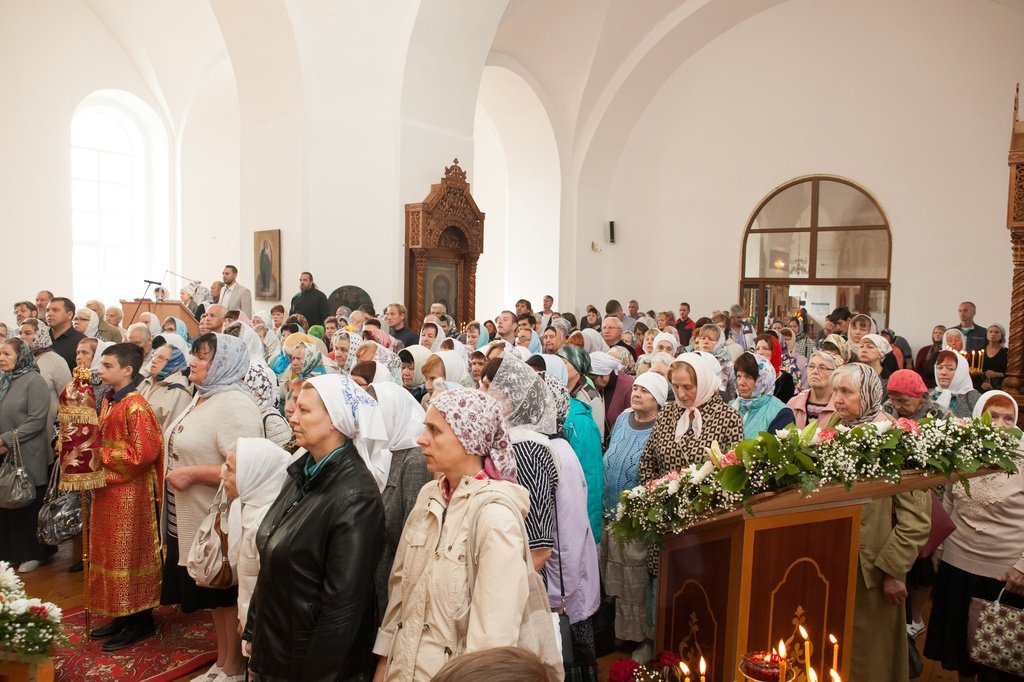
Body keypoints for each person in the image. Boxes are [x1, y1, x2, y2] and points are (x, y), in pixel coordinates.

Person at [372, 388, 560, 682]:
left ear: (470, 439)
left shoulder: (494, 517)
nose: (422, 439)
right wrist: (385, 664)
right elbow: (401, 596)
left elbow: (492, 640)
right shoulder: (429, 496)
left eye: (435, 430)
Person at [246, 374, 385, 681]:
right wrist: (254, 628)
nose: (292, 416)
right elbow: (272, 554)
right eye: (294, 407)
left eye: (305, 411)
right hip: (278, 644)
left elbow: (342, 611)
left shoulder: (355, 498)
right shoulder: (303, 470)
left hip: (307, 662)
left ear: (335, 421)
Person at [162, 333, 263, 681]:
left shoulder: (235, 404)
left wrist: (191, 473)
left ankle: (235, 669)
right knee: (212, 594)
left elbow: (246, 465)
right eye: (194, 354)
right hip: (195, 513)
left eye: (202, 357)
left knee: (225, 594)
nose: (193, 362)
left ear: (223, 364)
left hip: (219, 518)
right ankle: (223, 663)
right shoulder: (205, 396)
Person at [832, 363, 930, 682]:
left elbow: (916, 518)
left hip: (873, 569)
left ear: (870, 394)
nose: (836, 399)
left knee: (869, 658)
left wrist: (894, 571)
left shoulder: (896, 436)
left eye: (846, 391)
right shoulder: (834, 425)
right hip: (831, 559)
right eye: (835, 391)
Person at [924, 390, 1024, 679]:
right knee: (959, 652)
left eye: (1009, 418)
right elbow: (950, 502)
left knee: (996, 657)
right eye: (993, 417)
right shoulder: (964, 449)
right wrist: (940, 550)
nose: (1001, 425)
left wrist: (1021, 566)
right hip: (959, 564)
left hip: (1004, 573)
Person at [88, 343, 165, 650]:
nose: (100, 370)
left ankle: (140, 621)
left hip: (131, 496)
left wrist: (98, 453)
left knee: (130, 555)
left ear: (127, 370)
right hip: (110, 491)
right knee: (111, 553)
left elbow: (143, 454)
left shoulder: (135, 406)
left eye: (106, 366)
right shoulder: (110, 401)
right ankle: (121, 614)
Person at [603, 372, 669, 657]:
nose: (637, 393)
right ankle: (619, 632)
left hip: (636, 518)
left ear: (659, 400)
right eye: (637, 388)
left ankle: (642, 639)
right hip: (609, 510)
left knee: (635, 581)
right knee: (613, 573)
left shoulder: (662, 426)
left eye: (646, 391)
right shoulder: (622, 419)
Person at [484, 353, 560, 570]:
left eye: (489, 387)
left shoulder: (527, 449)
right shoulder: (503, 441)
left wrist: (507, 592)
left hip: (516, 582)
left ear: (510, 401)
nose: (481, 393)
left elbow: (539, 547)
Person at [365, 381, 432, 620]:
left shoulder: (416, 462)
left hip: (398, 591)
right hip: (383, 581)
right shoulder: (393, 453)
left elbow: (411, 538)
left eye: (376, 415)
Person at [221, 438, 290, 666]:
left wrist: (252, 627)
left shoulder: (267, 522)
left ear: (253, 474)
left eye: (230, 469)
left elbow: (271, 588)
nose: (223, 475)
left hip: (266, 629)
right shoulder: (249, 507)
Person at [0, 338, 52, 573]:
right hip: (4, 452)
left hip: (27, 453)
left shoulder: (34, 381)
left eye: (7, 354)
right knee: (7, 503)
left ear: (21, 356)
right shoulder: (4, 380)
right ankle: (11, 553)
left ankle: (34, 553)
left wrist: (6, 439)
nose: (2, 358)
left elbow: (36, 420)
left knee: (27, 502)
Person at [19, 318, 71, 437]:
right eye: (20, 333)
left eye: (28, 333)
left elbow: (67, 398)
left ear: (40, 334)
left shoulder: (55, 361)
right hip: (21, 424)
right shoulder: (21, 360)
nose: (22, 337)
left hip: (47, 425)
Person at [732, 352, 794, 439]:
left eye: (748, 377)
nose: (741, 383)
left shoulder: (781, 414)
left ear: (763, 380)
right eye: (739, 376)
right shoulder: (732, 406)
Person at [138, 340, 193, 431]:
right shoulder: (147, 382)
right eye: (154, 356)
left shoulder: (179, 392)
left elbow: (171, 432)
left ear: (173, 362)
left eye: (160, 358)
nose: (153, 361)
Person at [787, 350, 840, 428]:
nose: (815, 371)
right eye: (811, 366)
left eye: (822, 367)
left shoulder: (840, 406)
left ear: (834, 373)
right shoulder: (794, 403)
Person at [591, 350, 634, 437]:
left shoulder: (628, 387)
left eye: (592, 379)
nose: (592, 383)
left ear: (605, 375)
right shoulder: (602, 386)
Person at [930, 349, 981, 418]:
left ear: (961, 372)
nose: (943, 372)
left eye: (950, 369)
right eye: (940, 368)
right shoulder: (928, 395)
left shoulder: (973, 398)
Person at [45, 297, 85, 370]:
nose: (49, 314)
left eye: (55, 310)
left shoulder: (82, 341)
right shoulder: (41, 338)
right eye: (47, 310)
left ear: (69, 315)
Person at [753, 333, 795, 402]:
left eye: (765, 348)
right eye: (757, 349)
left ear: (774, 351)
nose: (760, 352)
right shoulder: (751, 374)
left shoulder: (785, 379)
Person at [979, 323, 1008, 391]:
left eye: (996, 332)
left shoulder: (1007, 353)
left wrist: (996, 374)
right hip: (981, 385)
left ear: (1002, 336)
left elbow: (1010, 373)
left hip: (1000, 387)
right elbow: (973, 370)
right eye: (990, 331)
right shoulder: (979, 351)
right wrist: (981, 383)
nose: (993, 334)